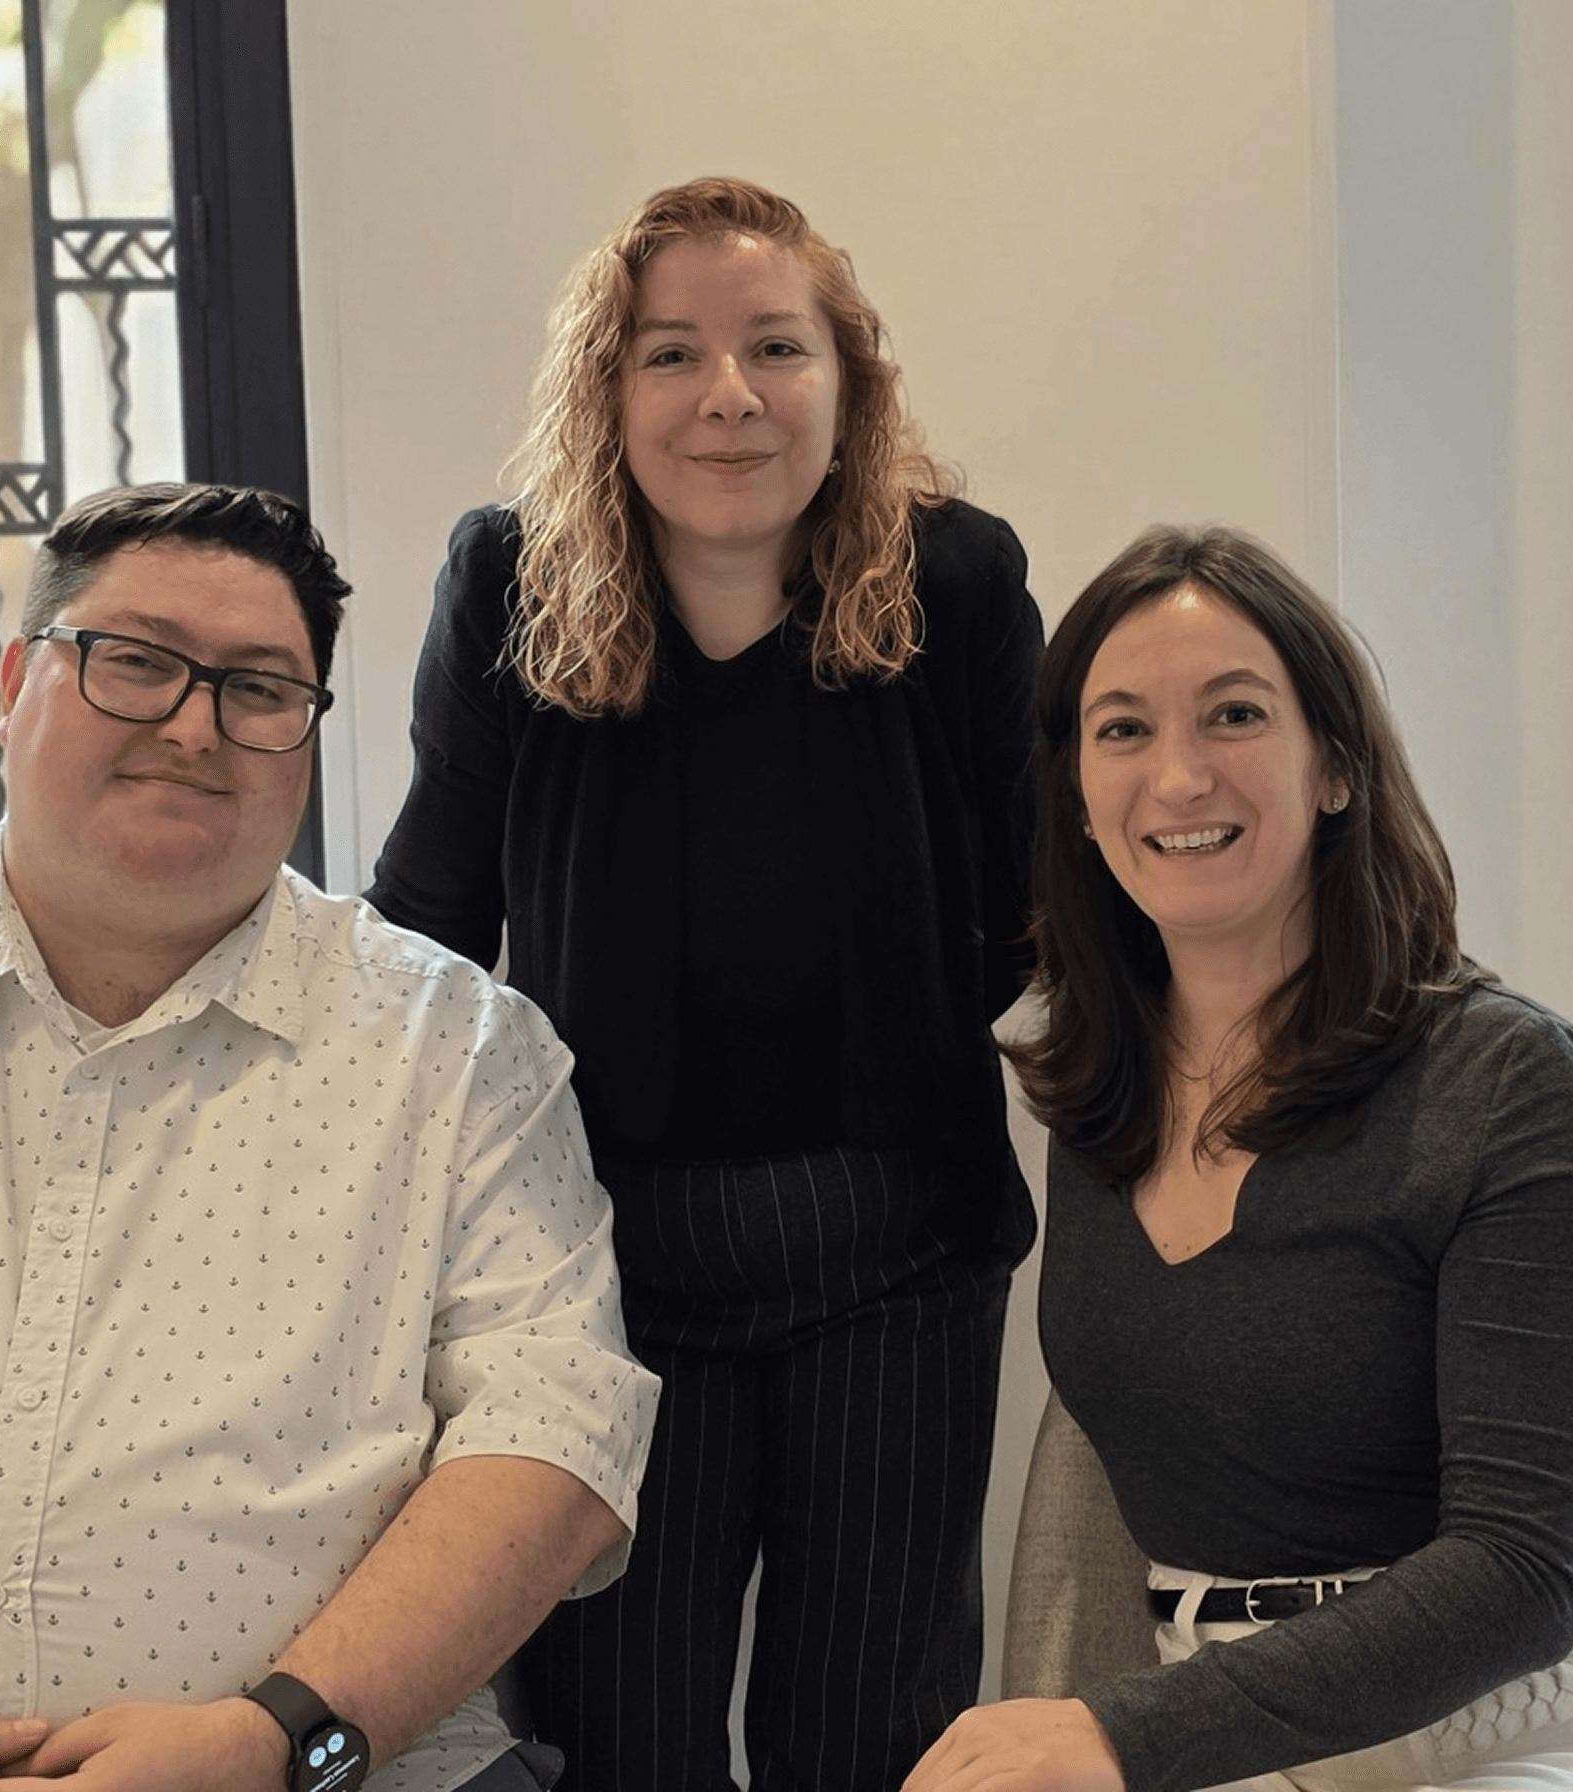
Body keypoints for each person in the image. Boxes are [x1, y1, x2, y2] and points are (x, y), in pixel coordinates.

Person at [0, 482, 658, 1792]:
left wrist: (280, 1745)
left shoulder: (460, 1054)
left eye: (258, 689)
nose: (193, 724)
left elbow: (558, 1447)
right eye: (135, 662)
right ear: (14, 684)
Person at [906, 526, 1573, 1792]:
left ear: (1335, 766)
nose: (1179, 775)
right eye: (1124, 729)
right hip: (1241, 1729)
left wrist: (1123, 1734)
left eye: (1236, 714)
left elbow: (1518, 1575)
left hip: (1545, 1718)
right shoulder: (1098, 1097)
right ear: (1078, 799)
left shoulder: (1513, 1083)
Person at [365, 177, 1042, 1792]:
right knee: (615, 1740)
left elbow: (1036, 907)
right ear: (607, 390)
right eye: (671, 352)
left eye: (776, 347)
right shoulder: (511, 581)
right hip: (593, 1271)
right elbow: (427, 925)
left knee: (870, 1739)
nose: (728, 394)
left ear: (848, 379)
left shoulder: (955, 580)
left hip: (898, 1257)